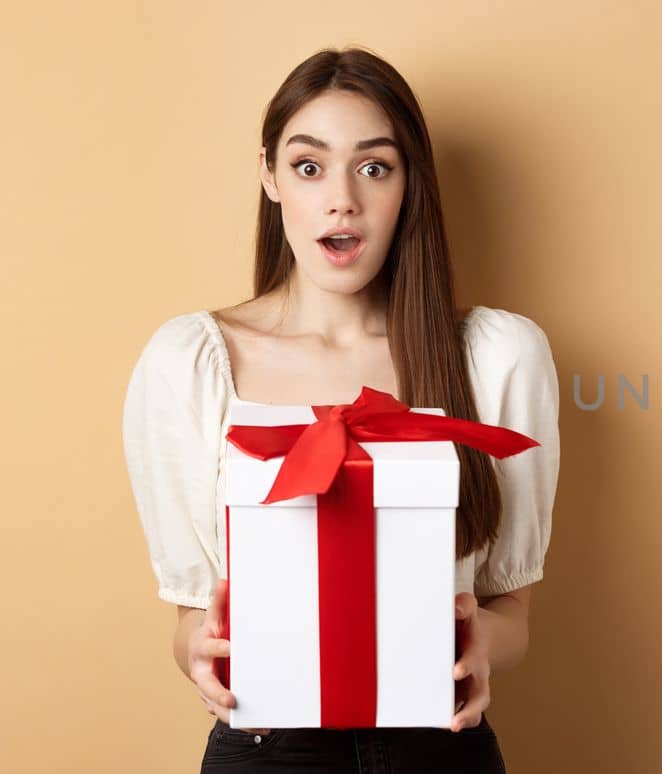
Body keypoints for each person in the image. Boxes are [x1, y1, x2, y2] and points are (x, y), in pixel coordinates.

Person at [120, 46, 559, 773]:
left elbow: (511, 613)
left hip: (441, 746)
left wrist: (479, 639)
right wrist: (195, 653)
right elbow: (193, 618)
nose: (342, 199)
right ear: (270, 176)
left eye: (375, 167)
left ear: (409, 185)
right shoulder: (189, 362)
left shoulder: (496, 357)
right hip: (266, 751)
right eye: (309, 165)